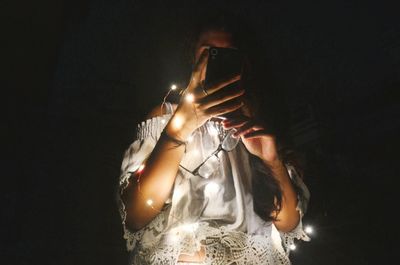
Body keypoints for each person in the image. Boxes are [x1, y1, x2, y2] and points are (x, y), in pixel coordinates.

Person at [117, 13, 310, 265]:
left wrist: (272, 162)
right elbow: (136, 214)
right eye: (208, 52)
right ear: (193, 58)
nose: (216, 61)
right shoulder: (165, 118)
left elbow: (288, 223)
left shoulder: (260, 127)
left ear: (244, 64)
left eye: (229, 54)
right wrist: (176, 133)